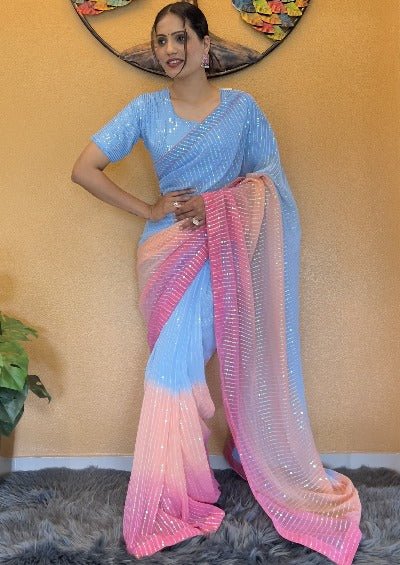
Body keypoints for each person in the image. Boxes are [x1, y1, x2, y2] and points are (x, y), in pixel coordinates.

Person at [71, 3, 362, 564]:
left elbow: (271, 185)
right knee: (174, 369)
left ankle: (168, 498)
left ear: (205, 46)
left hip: (221, 255)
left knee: (169, 371)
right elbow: (83, 168)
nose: (170, 50)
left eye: (180, 38)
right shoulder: (144, 110)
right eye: (160, 41)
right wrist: (148, 208)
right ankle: (179, 491)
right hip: (164, 255)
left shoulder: (242, 111)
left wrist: (216, 205)